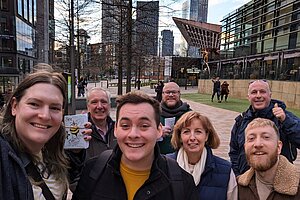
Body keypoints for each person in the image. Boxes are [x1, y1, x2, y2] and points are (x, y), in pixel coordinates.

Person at [72, 91, 199, 200]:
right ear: (116, 129)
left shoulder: (182, 182)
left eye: (144, 126)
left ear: (159, 130)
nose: (133, 134)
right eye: (125, 126)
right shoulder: (92, 171)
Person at [0, 71, 91, 199]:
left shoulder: (53, 150)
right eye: (34, 104)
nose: (45, 116)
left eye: (54, 108)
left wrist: (75, 152)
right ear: (14, 106)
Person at [229, 79, 300, 176]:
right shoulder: (241, 121)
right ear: (248, 97)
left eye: (262, 92)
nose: (258, 96)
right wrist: (238, 176)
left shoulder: (285, 117)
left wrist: (285, 121)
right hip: (247, 182)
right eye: (254, 92)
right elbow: (234, 152)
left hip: (280, 180)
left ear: (270, 95)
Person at [167, 111, 238, 200]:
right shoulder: (164, 166)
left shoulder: (225, 171)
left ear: (206, 136)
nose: (192, 138)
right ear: (180, 136)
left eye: (198, 132)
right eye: (186, 132)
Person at [66, 87, 117, 191]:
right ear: (88, 106)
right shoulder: (78, 133)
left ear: (109, 105)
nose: (99, 106)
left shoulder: (119, 131)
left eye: (104, 102)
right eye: (94, 102)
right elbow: (71, 173)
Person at [238, 118, 300, 199]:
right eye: (251, 138)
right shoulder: (238, 187)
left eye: (266, 137)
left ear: (279, 147)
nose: (258, 144)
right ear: (245, 147)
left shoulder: (297, 185)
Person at [158, 82, 191, 154]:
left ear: (179, 94)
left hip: (182, 158)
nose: (171, 95)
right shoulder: (153, 113)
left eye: (174, 92)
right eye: (167, 92)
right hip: (157, 159)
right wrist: (157, 133)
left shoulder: (189, 115)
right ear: (162, 94)